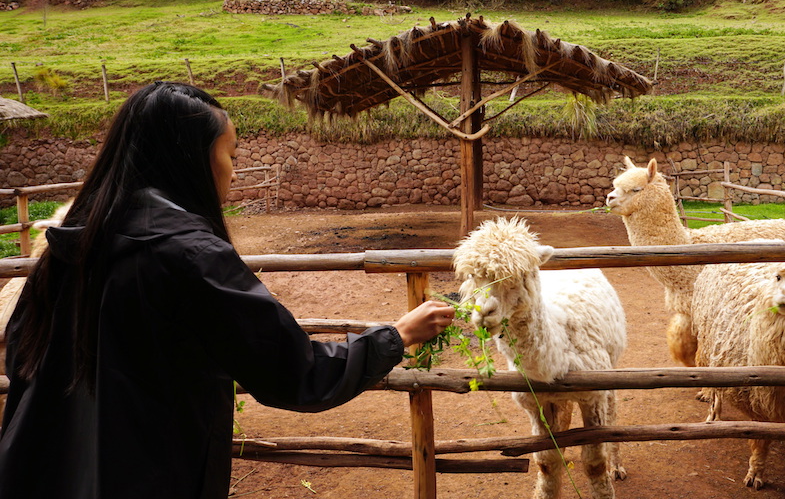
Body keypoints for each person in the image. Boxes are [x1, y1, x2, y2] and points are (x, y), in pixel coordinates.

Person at [0, 82, 455, 498]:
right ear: (191, 160)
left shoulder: (66, 249)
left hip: (37, 472)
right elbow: (296, 372)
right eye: (231, 155)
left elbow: (20, 355)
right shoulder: (191, 257)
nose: (233, 172)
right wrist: (398, 335)